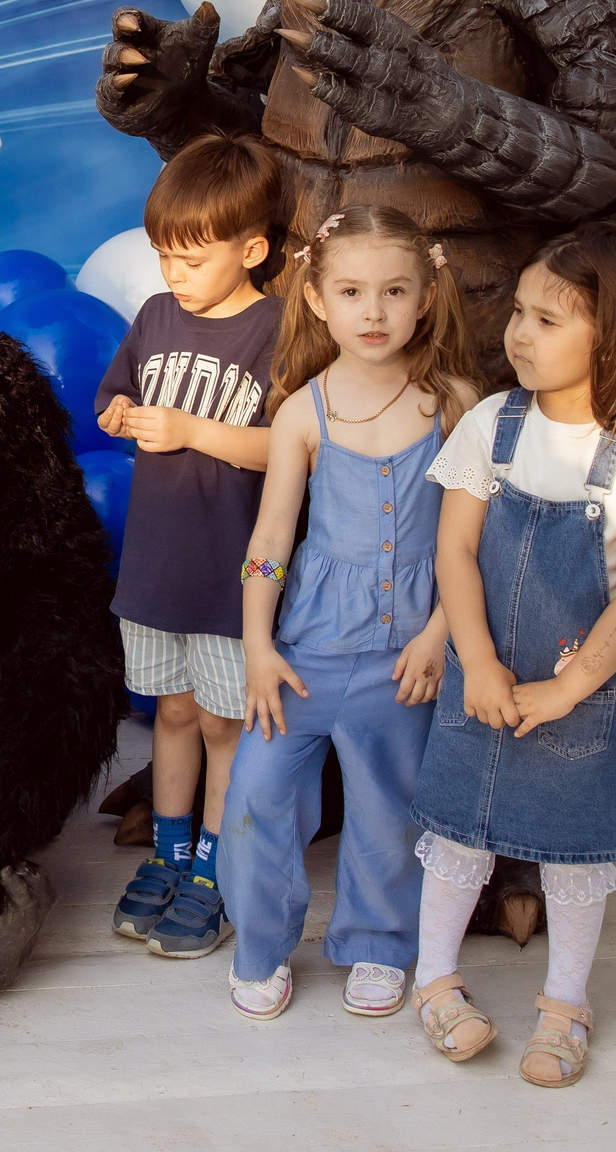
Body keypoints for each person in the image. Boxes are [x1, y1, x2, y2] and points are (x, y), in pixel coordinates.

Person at [410, 224, 616, 1086]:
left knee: (575, 851)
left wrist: (567, 686)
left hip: (583, 690)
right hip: (483, 673)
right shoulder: (494, 427)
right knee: (458, 832)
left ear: (614, 336)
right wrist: (480, 662)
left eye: (548, 319)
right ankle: (435, 980)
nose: (519, 332)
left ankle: (565, 1003)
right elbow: (455, 552)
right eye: (520, 312)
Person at [215, 208, 478, 1023]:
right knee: (256, 804)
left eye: (395, 291)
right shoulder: (302, 412)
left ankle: (377, 942)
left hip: (407, 658)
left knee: (387, 815)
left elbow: (477, 542)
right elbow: (270, 541)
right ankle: (261, 946)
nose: (374, 311)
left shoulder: (457, 405)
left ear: (427, 295)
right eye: (354, 291)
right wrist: (258, 644)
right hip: (303, 654)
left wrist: (440, 634)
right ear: (319, 299)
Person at [93, 133, 288, 962]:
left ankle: (216, 868)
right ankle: (171, 855)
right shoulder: (155, 316)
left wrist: (189, 431)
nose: (175, 273)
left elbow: (287, 446)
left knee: (222, 725)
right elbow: (116, 387)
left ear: (252, 249)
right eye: (164, 255)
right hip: (155, 568)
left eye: (193, 257)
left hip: (228, 577)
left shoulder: (277, 326)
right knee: (168, 713)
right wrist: (114, 411)